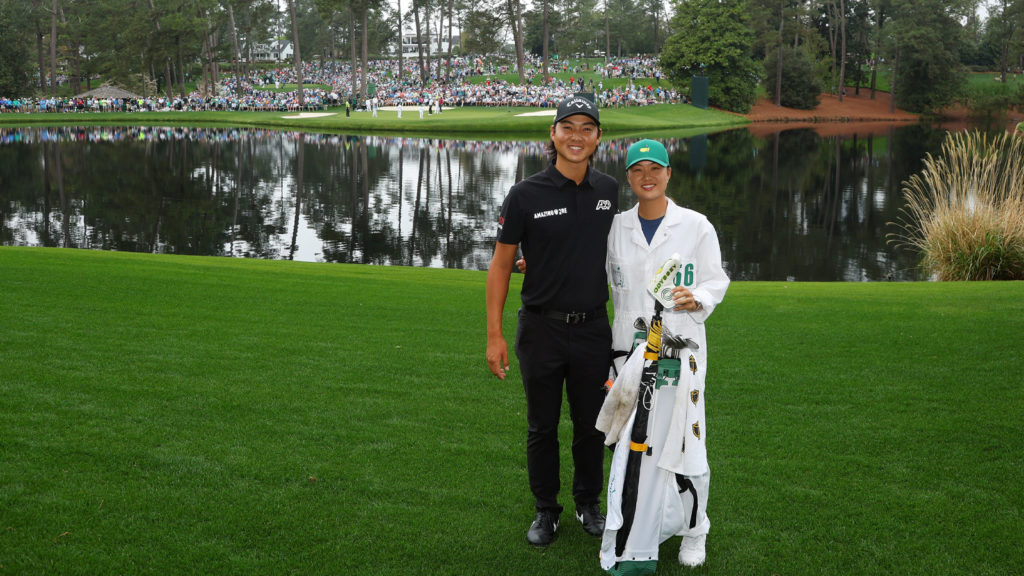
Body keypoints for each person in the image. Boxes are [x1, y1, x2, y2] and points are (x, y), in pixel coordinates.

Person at [486, 95, 618, 547]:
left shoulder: (609, 190)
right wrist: (494, 335)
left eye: (587, 128)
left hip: (593, 329)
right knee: (542, 426)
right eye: (568, 127)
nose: (577, 136)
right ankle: (547, 510)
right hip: (540, 328)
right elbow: (502, 264)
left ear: (599, 137)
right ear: (553, 134)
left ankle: (588, 502)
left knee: (590, 425)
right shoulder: (525, 194)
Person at [597, 139, 729, 573]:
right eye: (638, 170)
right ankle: (637, 525)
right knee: (632, 447)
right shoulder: (616, 227)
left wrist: (699, 298)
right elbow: (585, 272)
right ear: (629, 177)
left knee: (686, 443)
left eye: (656, 168)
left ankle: (696, 529)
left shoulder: (696, 226)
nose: (647, 177)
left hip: (680, 354)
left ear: (669, 173)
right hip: (630, 358)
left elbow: (716, 280)